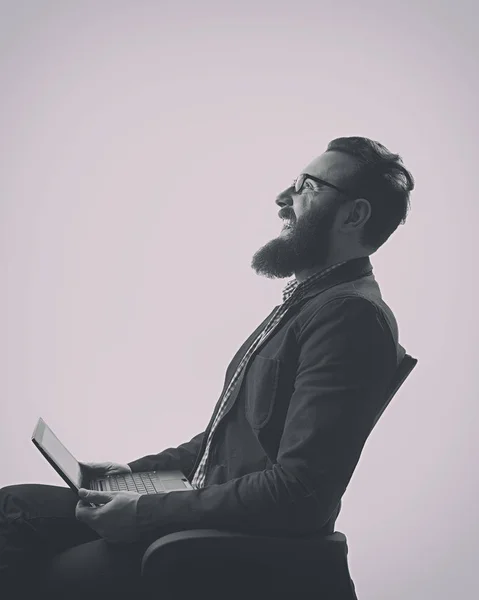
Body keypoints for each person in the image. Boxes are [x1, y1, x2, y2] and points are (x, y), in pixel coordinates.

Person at [0, 136, 415, 598]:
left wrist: (141, 514)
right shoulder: (310, 304)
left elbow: (300, 493)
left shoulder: (349, 317)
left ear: (354, 215)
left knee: (34, 567)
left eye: (307, 186)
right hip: (204, 511)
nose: (283, 198)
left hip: (228, 546)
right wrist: (126, 475)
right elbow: (230, 438)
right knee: (15, 505)